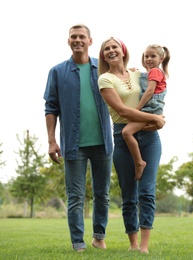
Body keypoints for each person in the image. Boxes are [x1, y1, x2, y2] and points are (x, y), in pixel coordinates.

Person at [43, 24, 113, 252]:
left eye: (82, 36)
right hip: (73, 145)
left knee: (102, 194)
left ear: (90, 41)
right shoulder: (57, 72)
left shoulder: (104, 70)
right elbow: (51, 107)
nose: (78, 40)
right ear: (68, 41)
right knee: (75, 196)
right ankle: (78, 242)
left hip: (103, 142)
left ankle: (99, 236)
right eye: (73, 37)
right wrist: (52, 140)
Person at [97, 37, 165, 254]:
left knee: (147, 192)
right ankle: (133, 244)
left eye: (114, 47)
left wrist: (156, 118)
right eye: (106, 49)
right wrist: (153, 119)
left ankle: (144, 246)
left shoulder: (138, 73)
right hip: (123, 136)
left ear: (123, 50)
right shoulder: (104, 80)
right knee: (129, 195)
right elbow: (123, 111)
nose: (111, 51)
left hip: (149, 137)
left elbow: (158, 90)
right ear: (103, 54)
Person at [122, 44, 170, 180]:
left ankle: (139, 162)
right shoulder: (149, 73)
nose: (149, 59)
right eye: (146, 56)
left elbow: (149, 91)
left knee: (126, 132)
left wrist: (136, 110)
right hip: (151, 109)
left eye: (153, 56)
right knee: (130, 132)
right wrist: (132, 72)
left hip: (150, 108)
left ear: (161, 58)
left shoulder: (155, 71)